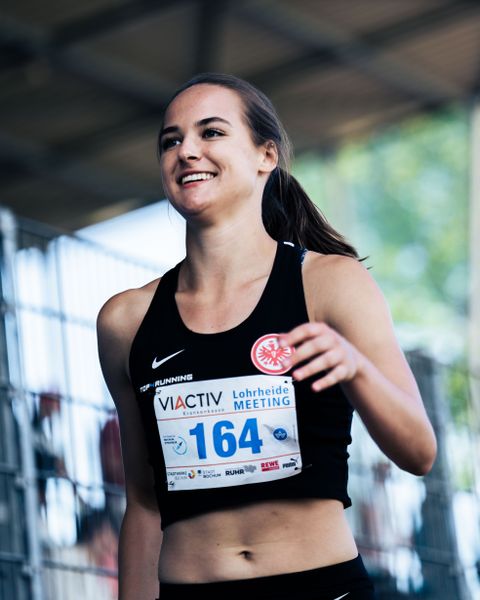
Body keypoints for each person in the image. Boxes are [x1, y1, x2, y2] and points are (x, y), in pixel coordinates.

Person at [96, 72, 437, 600]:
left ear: (266, 156)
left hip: (321, 587)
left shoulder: (329, 281)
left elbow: (419, 453)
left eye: (211, 133)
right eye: (172, 140)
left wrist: (356, 366)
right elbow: (143, 502)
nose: (187, 150)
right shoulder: (125, 321)